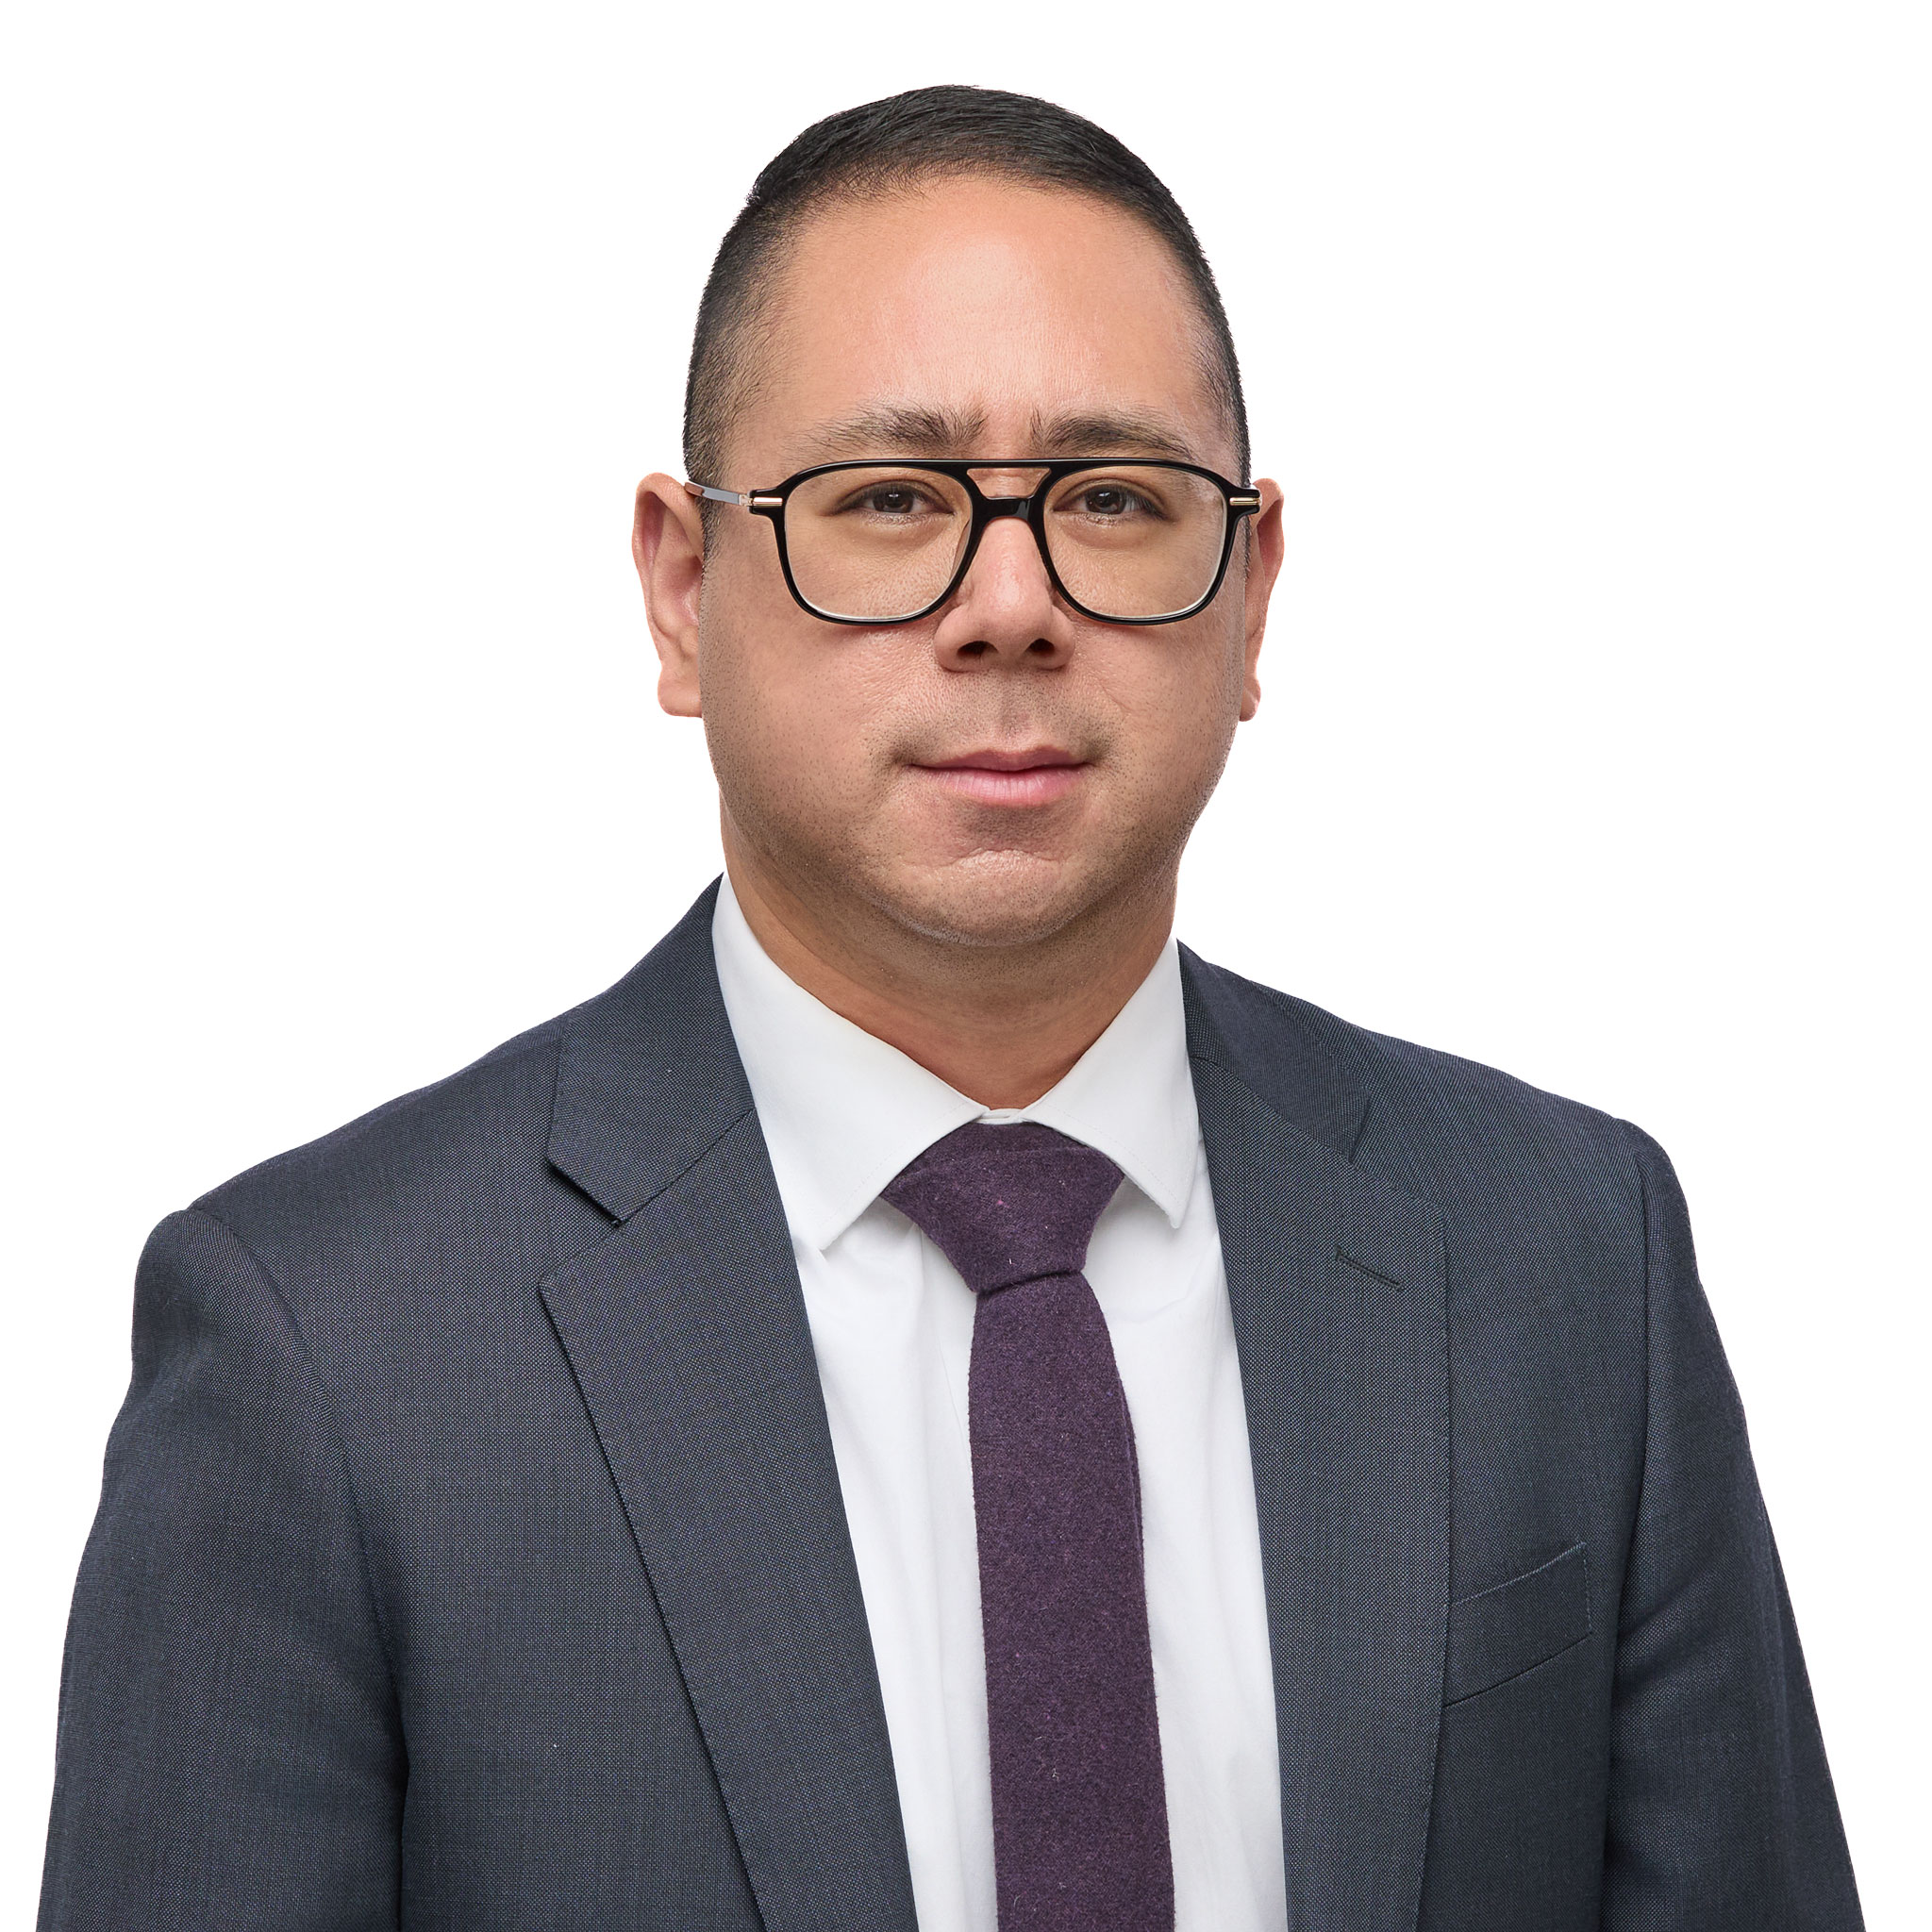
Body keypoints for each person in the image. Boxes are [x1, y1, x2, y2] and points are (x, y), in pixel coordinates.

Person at [38, 84, 1861, 1932]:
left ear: (1250, 595)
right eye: (891, 499)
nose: (1009, 605)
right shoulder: (323, 1350)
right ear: (681, 591)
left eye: (1117, 499)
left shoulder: (1564, 1257)